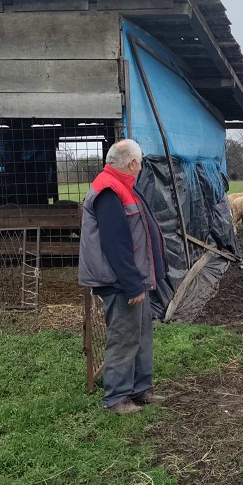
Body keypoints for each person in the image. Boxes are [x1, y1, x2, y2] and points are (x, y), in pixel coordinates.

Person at [78, 139, 168, 414]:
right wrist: (131, 284)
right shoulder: (109, 190)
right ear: (132, 163)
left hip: (132, 279)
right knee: (124, 336)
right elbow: (116, 244)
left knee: (141, 334)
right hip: (120, 282)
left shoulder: (121, 186)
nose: (140, 168)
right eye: (140, 163)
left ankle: (140, 389)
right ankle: (116, 398)